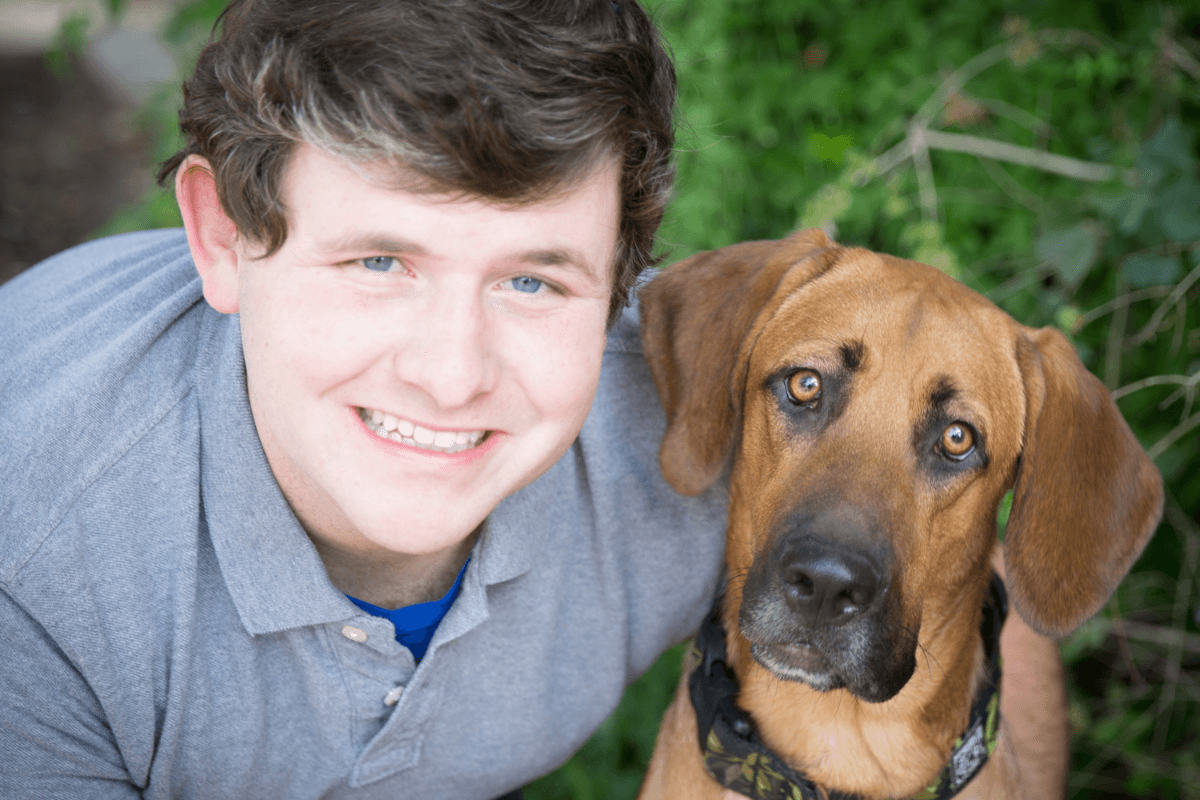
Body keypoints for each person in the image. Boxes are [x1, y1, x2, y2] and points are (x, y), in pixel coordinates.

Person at [0, 1, 1066, 798]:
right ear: (223, 236)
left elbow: (962, 569)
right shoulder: (38, 580)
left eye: (532, 280)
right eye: (379, 261)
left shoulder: (698, 414)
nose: (450, 373)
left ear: (618, 286)